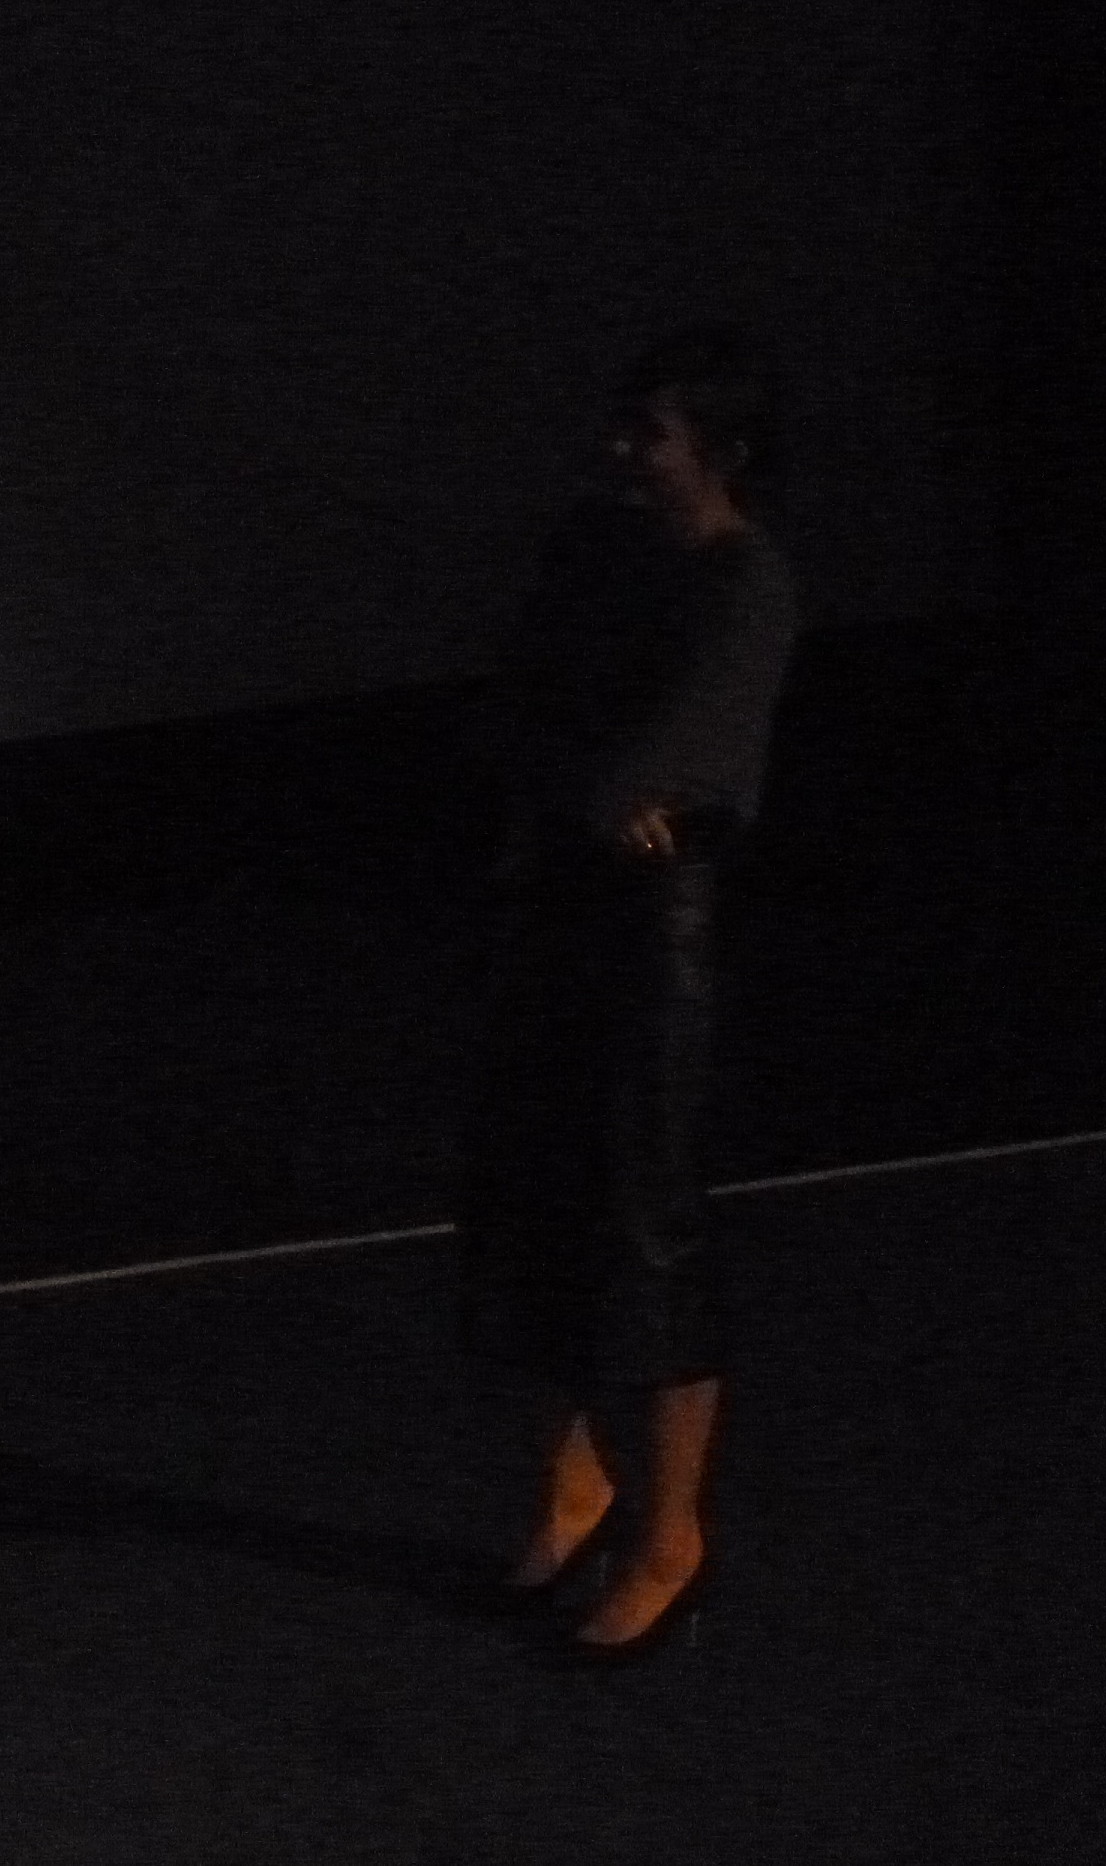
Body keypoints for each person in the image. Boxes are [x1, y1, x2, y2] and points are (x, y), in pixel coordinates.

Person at [459, 325, 798, 1666]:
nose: (622, 451)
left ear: (722, 450)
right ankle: (575, 1483)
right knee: (537, 1195)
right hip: (563, 902)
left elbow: (683, 758)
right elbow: (521, 711)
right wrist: (594, 788)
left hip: (663, 927)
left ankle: (670, 1535)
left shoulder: (744, 577)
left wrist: (610, 786)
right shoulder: (594, 552)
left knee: (649, 1219)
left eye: (651, 431)